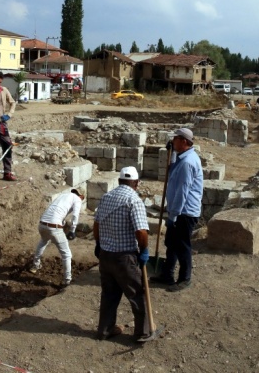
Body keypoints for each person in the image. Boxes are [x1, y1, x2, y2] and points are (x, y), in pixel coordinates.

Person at [93, 166, 152, 342]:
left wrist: (98, 244)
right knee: (136, 294)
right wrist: (144, 251)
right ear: (136, 183)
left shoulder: (107, 197)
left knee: (109, 295)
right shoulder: (134, 200)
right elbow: (141, 232)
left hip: (105, 255)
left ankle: (105, 330)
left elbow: (96, 225)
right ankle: (143, 332)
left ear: (119, 181)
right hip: (124, 257)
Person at [151, 128, 203, 292]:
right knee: (171, 243)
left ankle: (184, 278)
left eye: (176, 139)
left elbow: (182, 191)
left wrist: (173, 216)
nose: (173, 141)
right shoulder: (183, 158)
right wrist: (172, 152)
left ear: (184, 141)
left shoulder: (188, 163)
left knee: (182, 246)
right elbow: (172, 168)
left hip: (184, 212)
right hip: (179, 210)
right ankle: (167, 275)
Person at [29, 188, 84, 286]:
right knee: (66, 254)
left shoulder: (63, 196)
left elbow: (55, 210)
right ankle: (67, 280)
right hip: (54, 226)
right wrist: (72, 230)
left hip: (42, 224)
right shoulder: (77, 199)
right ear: (81, 196)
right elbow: (75, 215)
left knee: (43, 241)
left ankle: (35, 265)